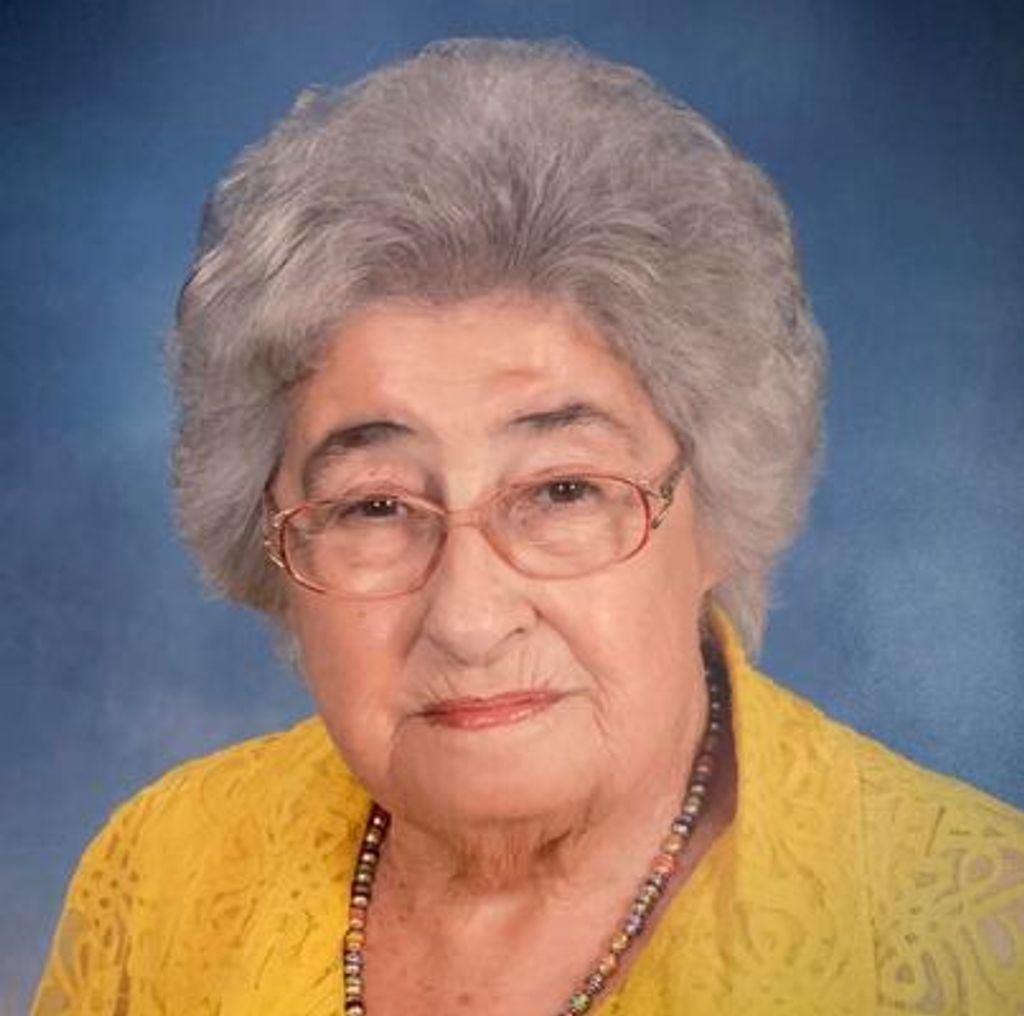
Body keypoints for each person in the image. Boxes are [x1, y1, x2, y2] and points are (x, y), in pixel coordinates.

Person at [34, 39, 1023, 1015]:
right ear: (274, 547)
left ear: (719, 510)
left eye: (562, 491)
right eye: (375, 505)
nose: (468, 619)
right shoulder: (162, 874)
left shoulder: (977, 938)